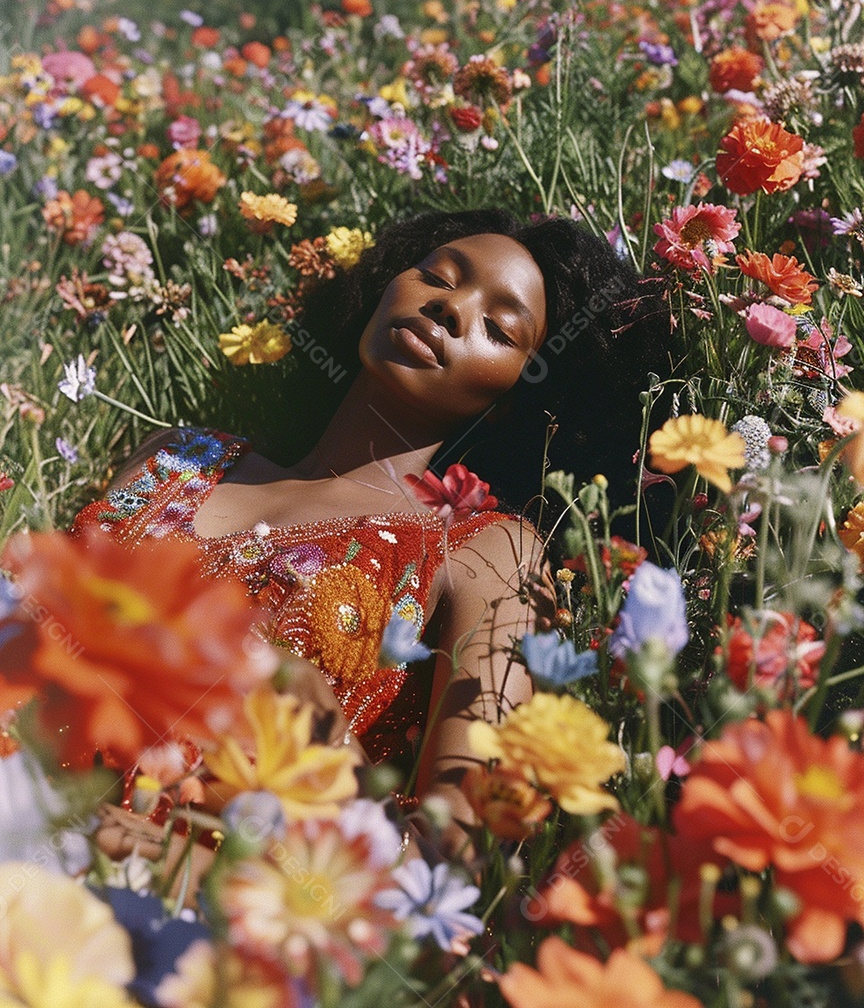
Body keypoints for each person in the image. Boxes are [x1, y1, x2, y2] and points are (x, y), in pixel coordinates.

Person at [73, 208, 669, 845]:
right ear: (386, 285)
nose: (449, 309)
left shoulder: (486, 552)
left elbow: (461, 846)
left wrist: (196, 871)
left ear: (515, 401)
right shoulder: (180, 455)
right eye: (437, 277)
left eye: (497, 328)